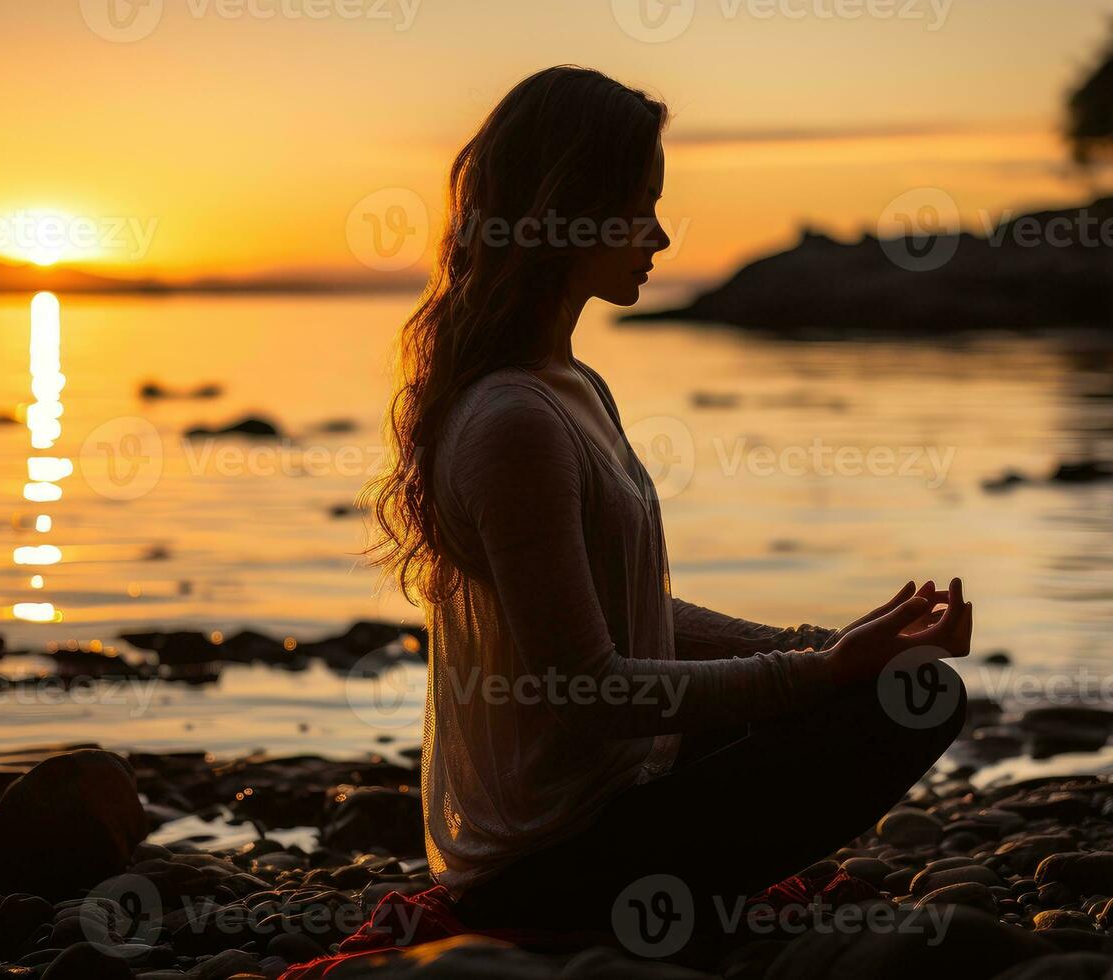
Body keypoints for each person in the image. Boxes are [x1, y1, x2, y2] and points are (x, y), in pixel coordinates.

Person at [364, 65, 973, 938]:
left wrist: (827, 648)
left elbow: (624, 616)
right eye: (639, 204)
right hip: (544, 868)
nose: (658, 235)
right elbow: (586, 688)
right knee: (915, 702)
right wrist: (822, 671)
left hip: (617, 799)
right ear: (565, 207)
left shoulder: (573, 386)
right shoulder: (512, 421)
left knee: (881, 684)